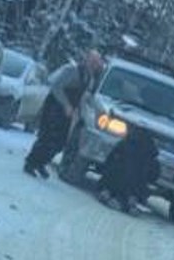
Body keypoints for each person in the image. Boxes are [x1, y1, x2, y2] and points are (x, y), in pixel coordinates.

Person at [23, 49, 106, 178]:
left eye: (97, 62)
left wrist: (99, 110)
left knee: (60, 141)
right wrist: (66, 104)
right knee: (47, 136)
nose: (94, 65)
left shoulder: (90, 77)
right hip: (55, 107)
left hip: (68, 112)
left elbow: (86, 96)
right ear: (86, 59)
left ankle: (41, 163)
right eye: (92, 61)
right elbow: (56, 87)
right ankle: (31, 162)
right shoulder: (72, 71)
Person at [97, 124, 159, 212]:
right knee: (135, 191)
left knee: (114, 179)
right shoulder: (150, 155)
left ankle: (107, 192)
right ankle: (130, 202)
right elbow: (154, 175)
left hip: (113, 180)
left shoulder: (123, 144)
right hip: (135, 187)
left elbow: (108, 160)